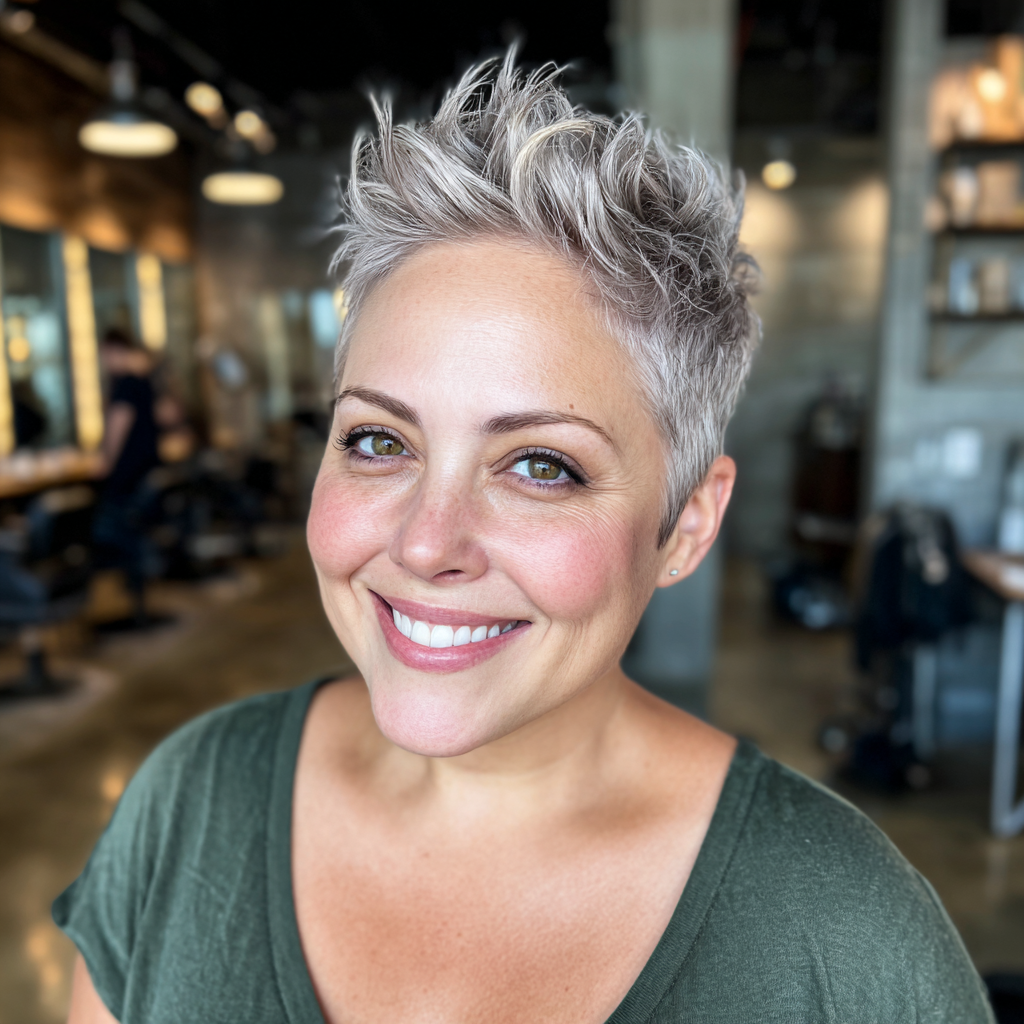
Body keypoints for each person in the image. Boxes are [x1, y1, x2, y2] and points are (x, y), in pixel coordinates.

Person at [56, 57, 994, 1023]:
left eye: (542, 465)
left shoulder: (851, 946)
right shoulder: (188, 805)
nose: (426, 544)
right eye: (378, 442)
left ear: (687, 524)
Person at [90, 327, 161, 622]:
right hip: (146, 475)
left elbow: (118, 427)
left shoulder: (125, 385)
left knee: (102, 523)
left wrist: (105, 460)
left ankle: (131, 583)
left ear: (112, 351)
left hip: (129, 482)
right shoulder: (143, 382)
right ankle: (136, 589)